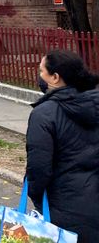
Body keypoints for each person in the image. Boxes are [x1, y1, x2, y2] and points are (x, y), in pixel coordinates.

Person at [26, 49, 99, 241]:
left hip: (62, 207)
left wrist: (37, 198)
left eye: (41, 71)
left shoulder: (44, 114)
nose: (39, 75)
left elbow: (39, 167)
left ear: (55, 77)